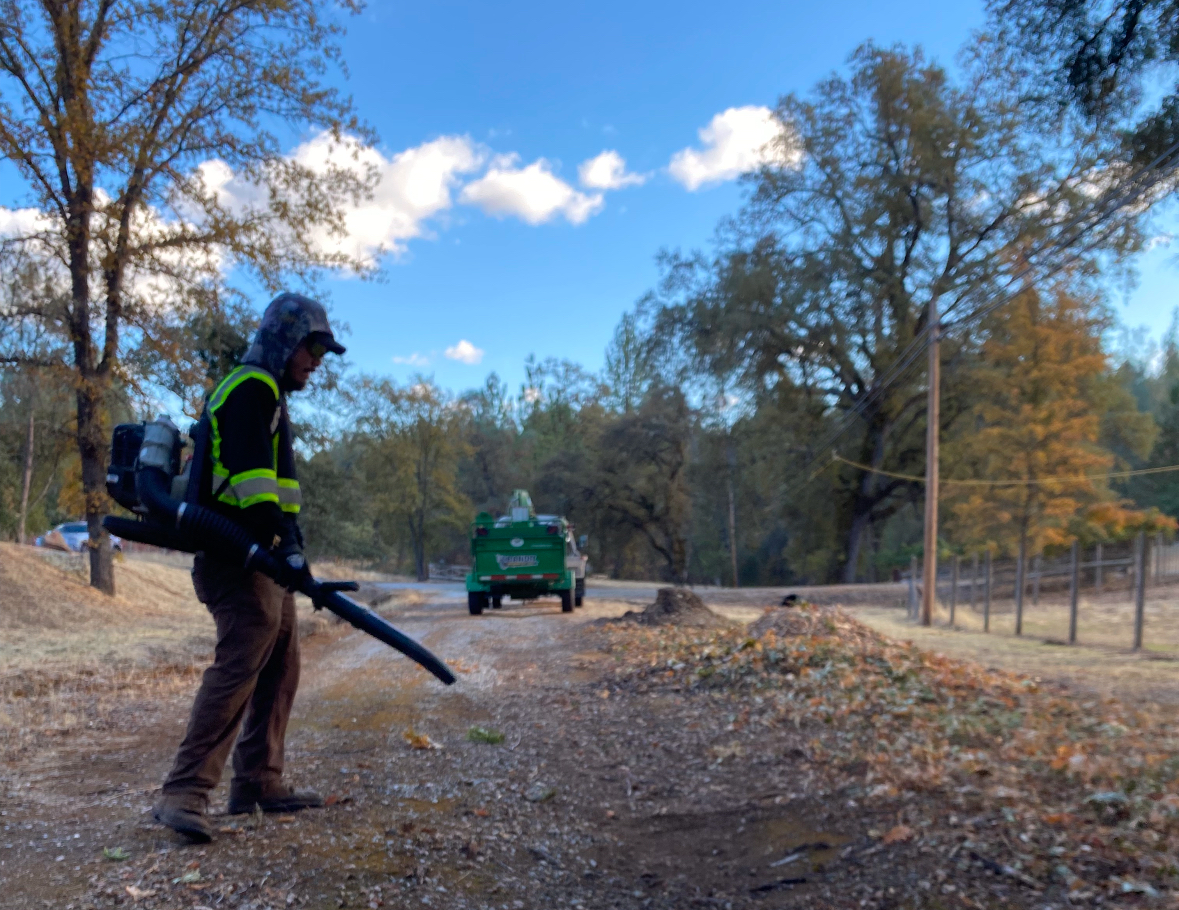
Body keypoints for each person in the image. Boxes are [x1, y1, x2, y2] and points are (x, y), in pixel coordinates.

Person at [152, 292, 346, 843]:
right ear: (284, 340)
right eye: (312, 348)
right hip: (233, 559)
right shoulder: (251, 389)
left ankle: (258, 782)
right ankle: (184, 790)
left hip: (259, 557)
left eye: (322, 353)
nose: (317, 361)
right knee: (242, 660)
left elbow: (281, 497)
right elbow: (255, 493)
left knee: (282, 659)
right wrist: (279, 549)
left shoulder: (272, 397)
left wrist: (296, 555)